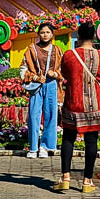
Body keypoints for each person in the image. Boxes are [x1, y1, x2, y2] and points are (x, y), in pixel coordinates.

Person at [54, 22, 100, 193]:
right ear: (94, 36)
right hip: (94, 104)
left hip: (73, 102)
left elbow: (64, 73)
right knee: (91, 141)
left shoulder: (69, 55)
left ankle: (65, 177)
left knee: (68, 139)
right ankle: (87, 181)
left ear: (78, 36)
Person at [22, 22, 63, 159]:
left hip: (51, 85)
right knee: (34, 115)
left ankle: (45, 146)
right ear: (38, 34)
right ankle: (33, 148)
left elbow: (63, 68)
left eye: (47, 32)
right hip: (36, 85)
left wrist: (56, 74)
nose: (45, 35)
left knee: (51, 115)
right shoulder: (31, 49)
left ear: (52, 34)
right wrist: (33, 76)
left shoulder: (57, 50)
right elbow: (23, 68)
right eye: (42, 32)